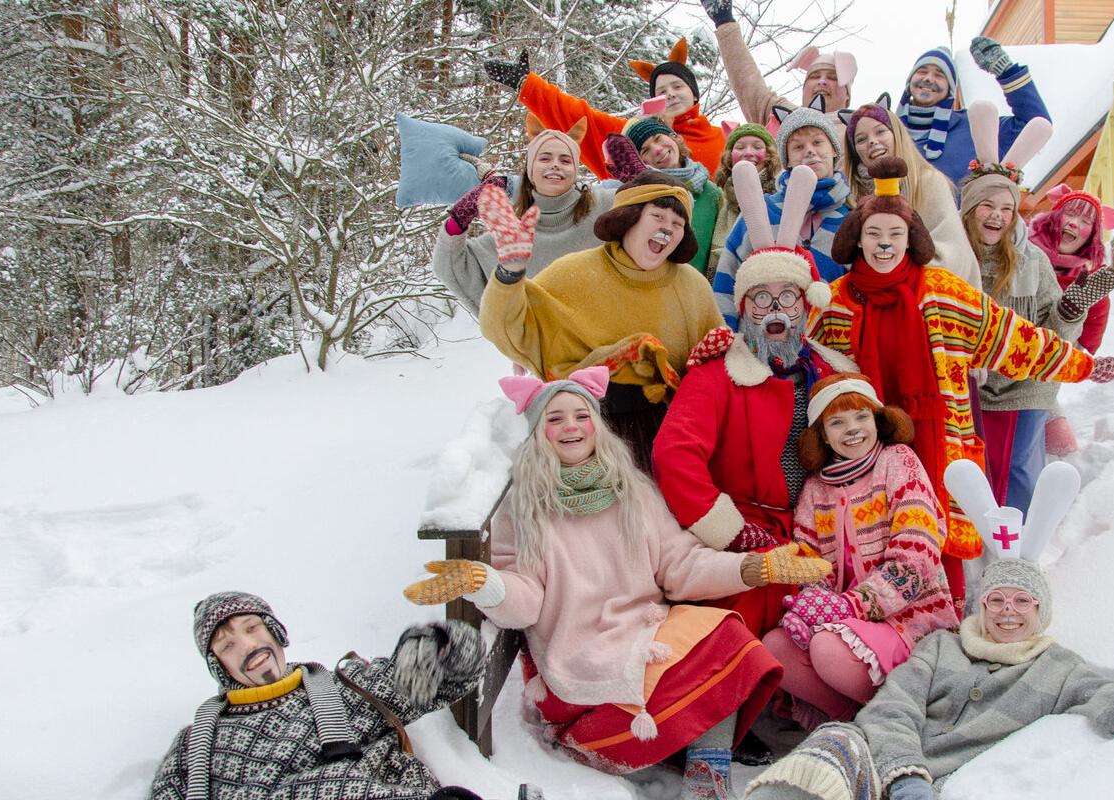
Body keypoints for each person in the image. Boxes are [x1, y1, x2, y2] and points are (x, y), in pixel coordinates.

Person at [402, 367, 833, 800]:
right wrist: (485, 583)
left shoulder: (632, 490)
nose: (570, 426)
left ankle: (707, 771)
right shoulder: (523, 511)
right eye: (555, 419)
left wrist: (753, 568)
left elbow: (678, 563)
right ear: (538, 433)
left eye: (581, 415)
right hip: (579, 653)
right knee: (691, 671)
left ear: (597, 425)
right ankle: (665, 745)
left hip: (646, 629)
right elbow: (526, 602)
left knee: (728, 637)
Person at [746, 475, 1114, 800]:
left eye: (1021, 602)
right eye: (996, 600)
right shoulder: (943, 647)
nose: (1008, 612)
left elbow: (1112, 698)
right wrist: (902, 776)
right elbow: (891, 709)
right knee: (811, 771)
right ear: (980, 606)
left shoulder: (1056, 667)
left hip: (954, 778)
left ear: (1041, 610)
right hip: (887, 763)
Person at [816, 157, 1114, 603]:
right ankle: (885, 616)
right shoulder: (837, 303)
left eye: (895, 235)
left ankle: (950, 609)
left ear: (910, 239)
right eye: (874, 235)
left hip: (938, 436)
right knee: (879, 526)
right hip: (869, 442)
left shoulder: (945, 291)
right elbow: (809, 364)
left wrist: (1082, 364)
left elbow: (1016, 339)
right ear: (856, 241)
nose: (884, 246)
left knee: (940, 521)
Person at [655, 161, 859, 637]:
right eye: (761, 300)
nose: (776, 312)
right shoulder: (718, 372)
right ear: (743, 309)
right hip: (745, 539)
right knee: (741, 641)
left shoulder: (833, 370)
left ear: (805, 305)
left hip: (825, 526)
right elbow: (675, 455)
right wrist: (734, 534)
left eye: (787, 298)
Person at [478, 172, 725, 463]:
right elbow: (507, 326)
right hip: (585, 440)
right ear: (630, 217)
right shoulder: (573, 272)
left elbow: (716, 364)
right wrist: (511, 272)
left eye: (677, 224)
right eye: (658, 217)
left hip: (670, 442)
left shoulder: (692, 286)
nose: (667, 229)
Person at [150, 592, 483, 800]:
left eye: (252, 629)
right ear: (220, 667)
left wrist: (438, 647)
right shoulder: (196, 746)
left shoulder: (349, 690)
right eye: (228, 645)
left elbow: (455, 675)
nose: (248, 646)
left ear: (275, 632)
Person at [762, 374, 958, 727]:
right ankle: (850, 720)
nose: (852, 429)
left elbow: (917, 552)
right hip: (844, 622)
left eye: (861, 417)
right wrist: (814, 605)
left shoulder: (898, 461)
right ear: (822, 434)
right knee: (776, 646)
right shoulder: (815, 488)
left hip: (907, 619)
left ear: (878, 420)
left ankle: (896, 715)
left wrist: (853, 604)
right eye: (837, 422)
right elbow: (809, 560)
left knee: (826, 648)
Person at [956, 103, 1114, 511]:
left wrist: (1070, 310)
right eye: (988, 205)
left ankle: (1017, 547)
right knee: (970, 470)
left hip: (1026, 380)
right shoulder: (948, 258)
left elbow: (1058, 336)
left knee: (1017, 468)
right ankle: (976, 544)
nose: (997, 215)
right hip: (965, 381)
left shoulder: (1032, 261)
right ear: (970, 208)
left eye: (1006, 208)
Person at [432, 116, 613, 316]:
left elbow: (651, 208)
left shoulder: (607, 207)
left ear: (575, 170)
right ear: (530, 171)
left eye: (565, 160)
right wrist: (458, 219)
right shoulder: (512, 238)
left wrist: (640, 174)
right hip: (548, 346)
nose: (555, 165)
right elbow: (449, 267)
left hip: (614, 340)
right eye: (545, 158)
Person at [484, 41, 723, 180]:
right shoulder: (630, 138)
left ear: (694, 93)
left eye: (677, 86)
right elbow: (579, 118)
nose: (669, 93)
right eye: (661, 91)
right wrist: (527, 84)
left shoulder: (725, 139)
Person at [715, 106, 852, 327]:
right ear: (786, 159)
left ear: (834, 150)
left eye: (818, 142)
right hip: (757, 346)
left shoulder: (851, 220)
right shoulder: (760, 211)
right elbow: (726, 278)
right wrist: (728, 340)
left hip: (827, 348)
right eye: (798, 146)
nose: (809, 151)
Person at [1027, 185, 1114, 456]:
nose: (1073, 223)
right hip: (991, 375)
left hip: (1038, 385)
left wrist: (1089, 366)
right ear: (1053, 218)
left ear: (1091, 236)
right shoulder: (1016, 257)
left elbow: (1079, 349)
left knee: (1063, 451)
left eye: (1085, 221)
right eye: (1069, 214)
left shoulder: (1093, 292)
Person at [840, 103, 979, 286]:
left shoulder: (928, 182)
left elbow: (953, 254)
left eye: (880, 131)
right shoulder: (851, 195)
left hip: (932, 296)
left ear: (897, 134)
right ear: (855, 151)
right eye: (861, 139)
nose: (872, 141)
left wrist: (890, 268)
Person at [897, 39, 1050, 185]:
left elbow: (1036, 124)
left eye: (939, 75)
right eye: (922, 72)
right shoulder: (885, 130)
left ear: (950, 88)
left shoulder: (975, 127)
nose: (929, 79)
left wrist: (1007, 72)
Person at [703, 0, 855, 130]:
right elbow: (750, 87)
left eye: (833, 77)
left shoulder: (861, 129)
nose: (822, 81)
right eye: (815, 76)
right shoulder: (785, 116)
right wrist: (724, 21)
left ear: (847, 97)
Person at [601, 116, 723, 275]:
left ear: (673, 137)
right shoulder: (633, 193)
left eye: (658, 138)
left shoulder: (712, 193)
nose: (657, 150)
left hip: (696, 288)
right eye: (645, 150)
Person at [711, 123, 781, 273]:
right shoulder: (719, 197)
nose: (748, 153)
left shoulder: (779, 196)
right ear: (729, 156)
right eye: (740, 147)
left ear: (769, 154)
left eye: (757, 147)